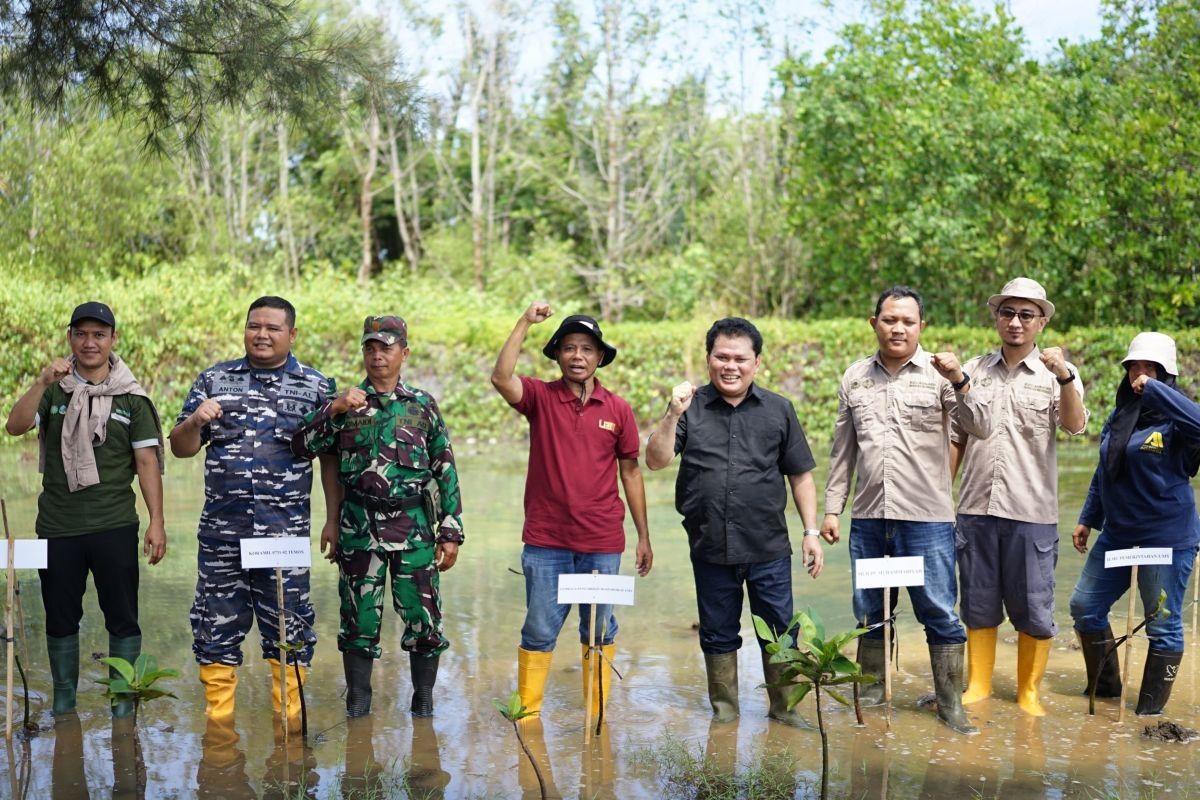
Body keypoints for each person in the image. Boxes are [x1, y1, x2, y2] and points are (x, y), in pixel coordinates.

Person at [645, 317, 823, 726]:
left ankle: (784, 709)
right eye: (721, 357)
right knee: (717, 632)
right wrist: (673, 413)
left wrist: (811, 532)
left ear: (756, 363)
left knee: (779, 632)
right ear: (708, 360)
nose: (730, 366)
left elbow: (801, 475)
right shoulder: (690, 408)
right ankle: (725, 712)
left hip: (768, 547)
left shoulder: (779, 409)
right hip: (709, 544)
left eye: (740, 358)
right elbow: (655, 460)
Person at [169, 296, 338, 722]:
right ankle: (219, 736)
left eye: (272, 328)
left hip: (284, 536)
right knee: (215, 629)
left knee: (291, 629)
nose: (261, 335)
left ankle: (290, 730)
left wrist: (333, 519)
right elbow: (180, 447)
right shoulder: (214, 379)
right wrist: (194, 423)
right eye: (253, 326)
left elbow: (330, 460)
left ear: (292, 334)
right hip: (222, 535)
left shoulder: (316, 387)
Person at [821, 286, 980, 735]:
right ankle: (871, 696)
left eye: (908, 321)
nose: (898, 328)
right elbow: (843, 451)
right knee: (870, 611)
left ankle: (951, 705)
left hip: (926, 519)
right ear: (874, 323)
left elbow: (979, 426)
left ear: (921, 328)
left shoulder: (941, 375)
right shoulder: (854, 377)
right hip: (869, 518)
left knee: (940, 611)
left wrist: (960, 381)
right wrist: (833, 510)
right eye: (889, 319)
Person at [291, 315, 463, 718]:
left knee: (424, 621)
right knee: (358, 622)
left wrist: (451, 529)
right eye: (370, 347)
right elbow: (301, 446)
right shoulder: (347, 403)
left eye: (386, 348)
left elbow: (445, 467)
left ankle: (423, 703)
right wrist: (332, 408)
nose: (377, 356)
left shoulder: (422, 406)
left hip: (415, 531)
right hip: (358, 530)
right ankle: (358, 704)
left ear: (404, 352)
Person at [490, 303, 652, 721]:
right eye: (569, 348)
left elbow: (631, 473)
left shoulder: (617, 409)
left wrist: (644, 536)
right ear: (557, 354)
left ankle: (596, 723)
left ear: (600, 358)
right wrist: (524, 320)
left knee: (599, 631)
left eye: (587, 349)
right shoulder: (540, 398)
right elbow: (501, 377)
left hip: (601, 543)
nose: (577, 356)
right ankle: (526, 720)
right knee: (540, 630)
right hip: (547, 543)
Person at [4, 301, 166, 718]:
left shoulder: (132, 398)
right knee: (60, 618)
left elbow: (147, 462)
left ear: (113, 340)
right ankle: (63, 703)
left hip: (114, 524)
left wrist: (157, 522)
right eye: (81, 334)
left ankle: (124, 706)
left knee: (123, 618)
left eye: (99, 334)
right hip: (58, 526)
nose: (89, 342)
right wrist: (41, 382)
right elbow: (15, 425)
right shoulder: (54, 390)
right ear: (70, 339)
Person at [949, 278, 1088, 716]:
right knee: (977, 600)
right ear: (996, 318)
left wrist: (1064, 376)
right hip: (974, 507)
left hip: (1032, 511)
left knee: (1034, 606)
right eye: (1007, 313)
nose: (1015, 322)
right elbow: (956, 436)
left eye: (1026, 315)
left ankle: (1029, 691)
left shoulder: (1058, 374)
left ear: (1041, 322)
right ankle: (979, 683)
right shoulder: (972, 369)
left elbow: (1075, 424)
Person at [1068, 332, 1199, 716]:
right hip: (1118, 536)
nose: (1139, 375)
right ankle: (1106, 690)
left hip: (1166, 539)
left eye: (1150, 368)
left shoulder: (1180, 421)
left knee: (1162, 625)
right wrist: (1088, 518)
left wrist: (1156, 392)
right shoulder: (1121, 414)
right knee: (1084, 606)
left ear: (1166, 374)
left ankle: (1148, 715)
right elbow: (1105, 469)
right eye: (1134, 367)